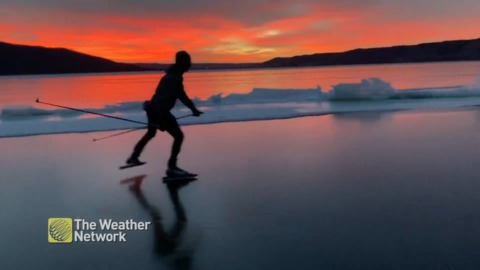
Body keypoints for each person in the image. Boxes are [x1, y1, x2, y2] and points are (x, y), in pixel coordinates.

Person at [126, 51, 203, 176]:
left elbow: (181, 95)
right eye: (188, 61)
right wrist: (162, 120)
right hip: (158, 110)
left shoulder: (174, 75)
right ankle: (172, 167)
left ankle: (133, 157)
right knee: (179, 136)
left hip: (152, 108)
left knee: (151, 133)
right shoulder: (173, 78)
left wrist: (193, 109)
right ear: (182, 63)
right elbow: (164, 100)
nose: (190, 64)